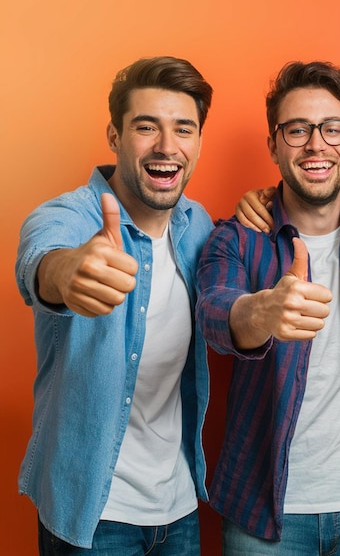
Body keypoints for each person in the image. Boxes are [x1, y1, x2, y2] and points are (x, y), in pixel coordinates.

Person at [196, 60, 340, 555]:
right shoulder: (235, 237)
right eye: (297, 130)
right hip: (263, 513)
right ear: (274, 145)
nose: (316, 144)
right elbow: (215, 312)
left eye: (333, 129)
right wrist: (261, 312)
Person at [15, 56, 214, 555]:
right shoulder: (71, 215)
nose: (167, 146)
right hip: (93, 513)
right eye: (146, 127)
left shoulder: (199, 225)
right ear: (114, 135)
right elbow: (42, 258)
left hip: (179, 508)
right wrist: (67, 273)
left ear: (197, 143)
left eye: (183, 129)